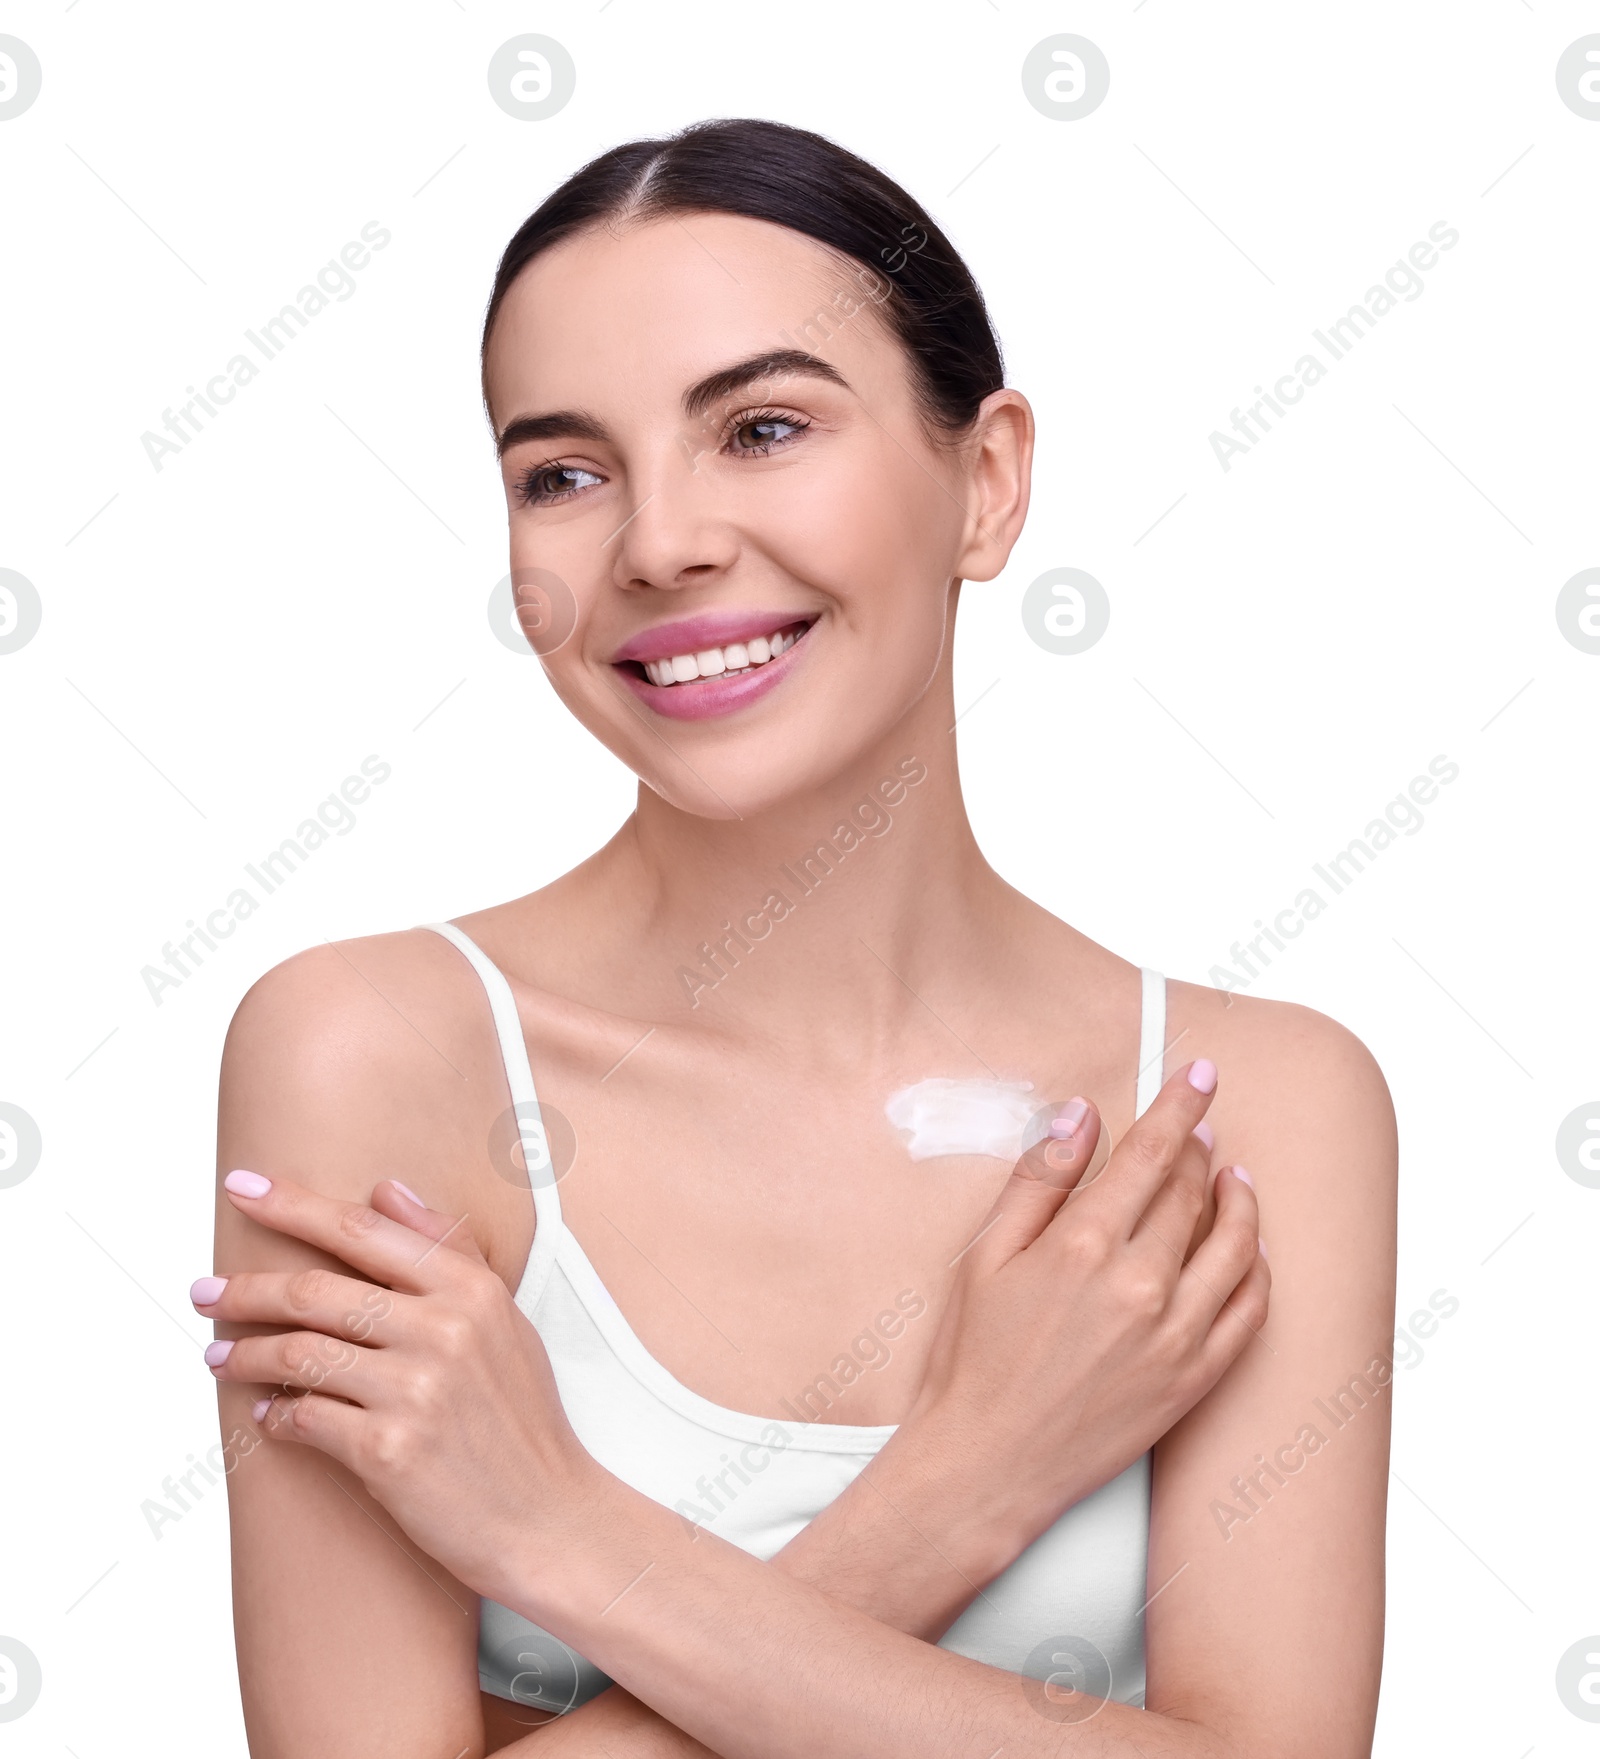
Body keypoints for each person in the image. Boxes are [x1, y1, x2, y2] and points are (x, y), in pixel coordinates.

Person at [200, 119, 1397, 1757]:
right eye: (564, 472)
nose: (658, 543)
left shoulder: (1248, 1106)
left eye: (761, 429)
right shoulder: (375, 1058)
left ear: (986, 482)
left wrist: (556, 1530)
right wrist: (965, 1486)